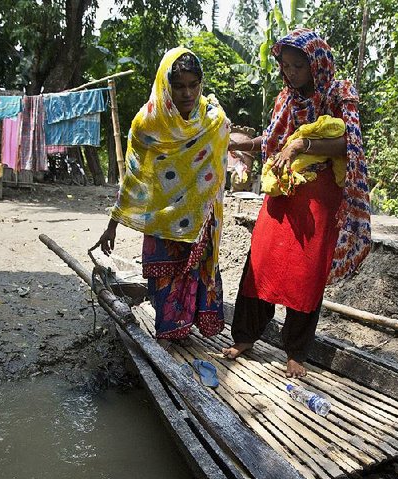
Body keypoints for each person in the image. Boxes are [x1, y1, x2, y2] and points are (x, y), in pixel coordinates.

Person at [224, 29, 371, 377]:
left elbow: (349, 146)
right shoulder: (285, 99)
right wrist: (237, 145)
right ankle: (246, 337)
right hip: (285, 188)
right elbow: (274, 141)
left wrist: (300, 147)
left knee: (307, 272)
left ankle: (296, 351)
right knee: (261, 259)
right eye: (285, 65)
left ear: (316, 65)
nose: (290, 73)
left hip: (321, 193)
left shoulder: (339, 95)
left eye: (298, 66)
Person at [95, 48, 230, 340]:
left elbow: (220, 157)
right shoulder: (148, 123)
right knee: (165, 279)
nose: (187, 93)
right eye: (179, 86)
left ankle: (185, 330)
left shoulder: (211, 118)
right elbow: (133, 176)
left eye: (193, 85)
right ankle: (168, 333)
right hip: (162, 219)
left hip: (199, 219)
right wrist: (112, 225)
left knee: (192, 273)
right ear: (166, 85)